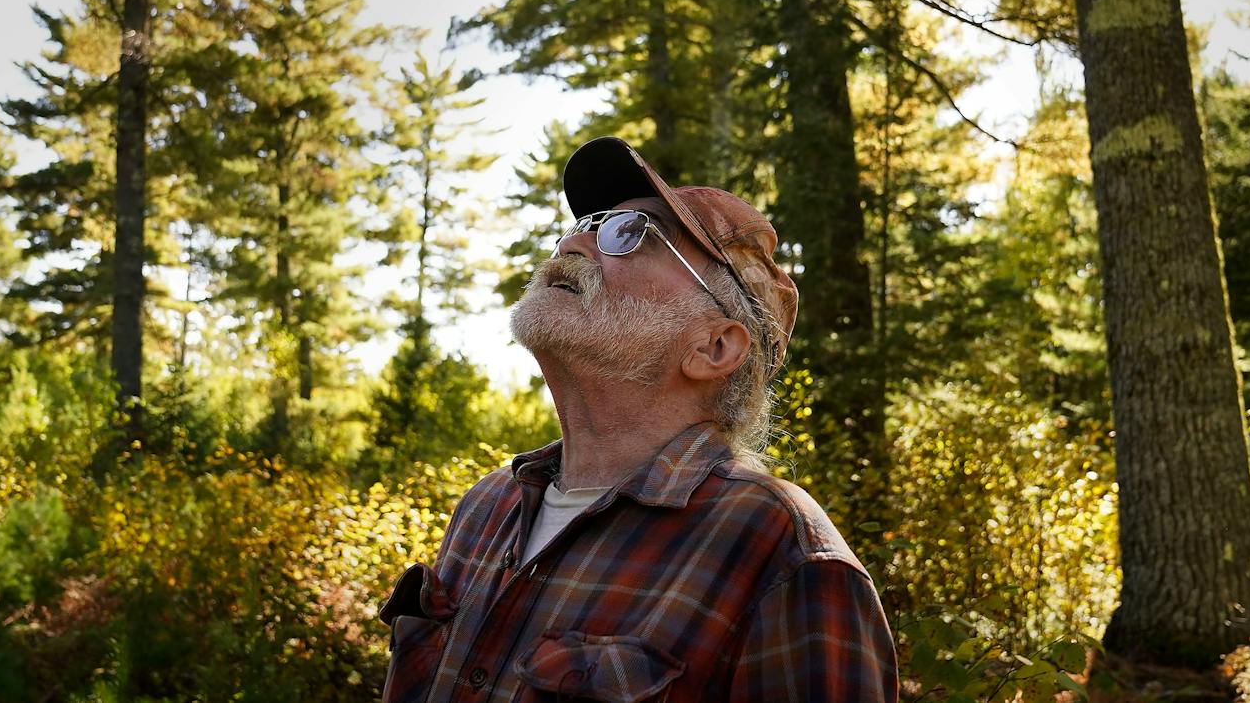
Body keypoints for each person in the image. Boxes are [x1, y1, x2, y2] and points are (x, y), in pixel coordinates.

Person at [378, 136, 898, 703]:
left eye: (632, 234)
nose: (573, 242)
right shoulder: (486, 506)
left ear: (715, 347)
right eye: (586, 224)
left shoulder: (781, 551)